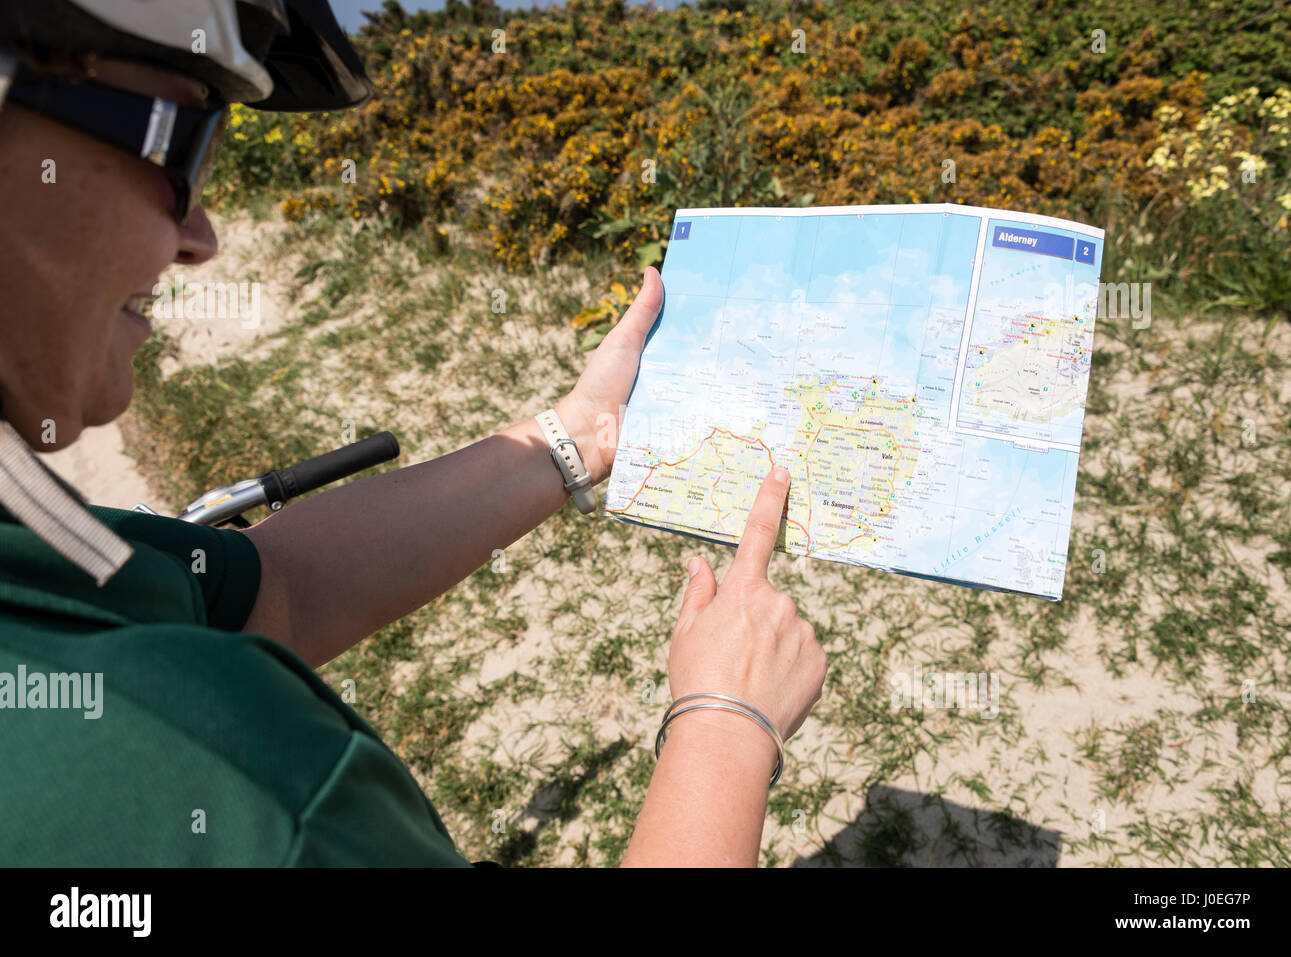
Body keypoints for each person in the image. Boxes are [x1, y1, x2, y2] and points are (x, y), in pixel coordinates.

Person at [0, 0, 826, 868]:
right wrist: (727, 727)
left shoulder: (42, 567)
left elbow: (274, 591)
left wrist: (579, 434)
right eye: (184, 146)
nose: (199, 237)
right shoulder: (244, 798)